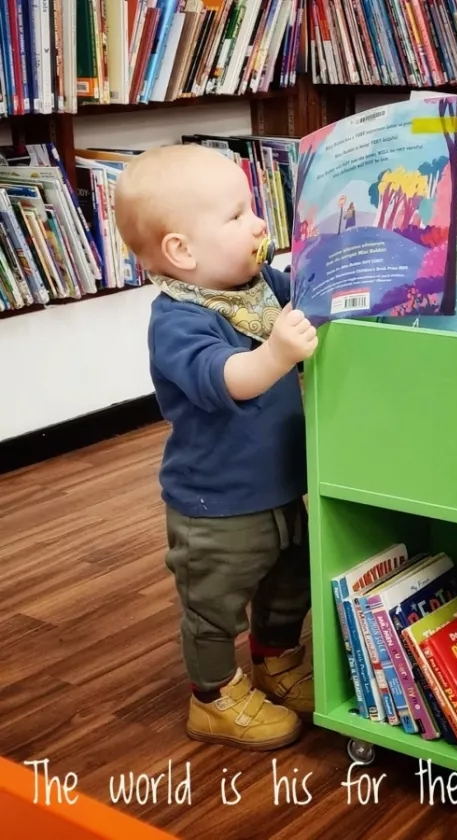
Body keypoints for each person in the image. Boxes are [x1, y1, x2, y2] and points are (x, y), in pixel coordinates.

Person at [114, 143, 317, 751]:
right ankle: (214, 696)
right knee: (215, 604)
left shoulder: (261, 285)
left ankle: (274, 661)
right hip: (217, 505)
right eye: (236, 216)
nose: (259, 223)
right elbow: (228, 379)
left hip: (282, 485)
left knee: (291, 580)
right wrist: (277, 354)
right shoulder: (177, 320)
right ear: (182, 250)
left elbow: (308, 299)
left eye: (252, 207)